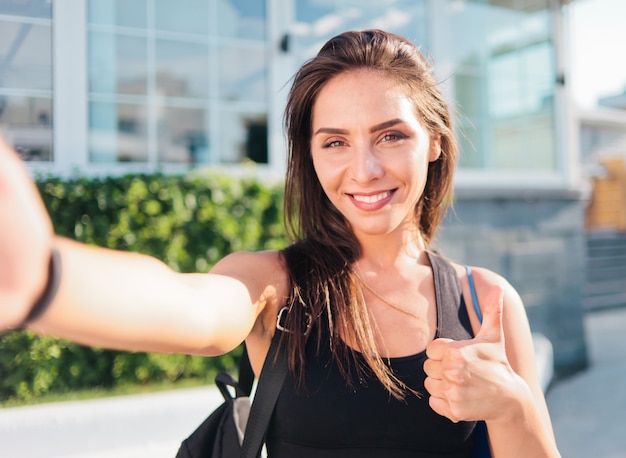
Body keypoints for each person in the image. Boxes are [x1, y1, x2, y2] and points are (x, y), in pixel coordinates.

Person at [0, 29, 560, 457]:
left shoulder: (485, 300)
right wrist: (44, 279)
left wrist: (509, 407)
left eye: (391, 135)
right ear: (311, 158)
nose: (363, 169)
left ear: (434, 143)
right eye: (335, 142)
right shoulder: (274, 284)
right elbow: (187, 307)